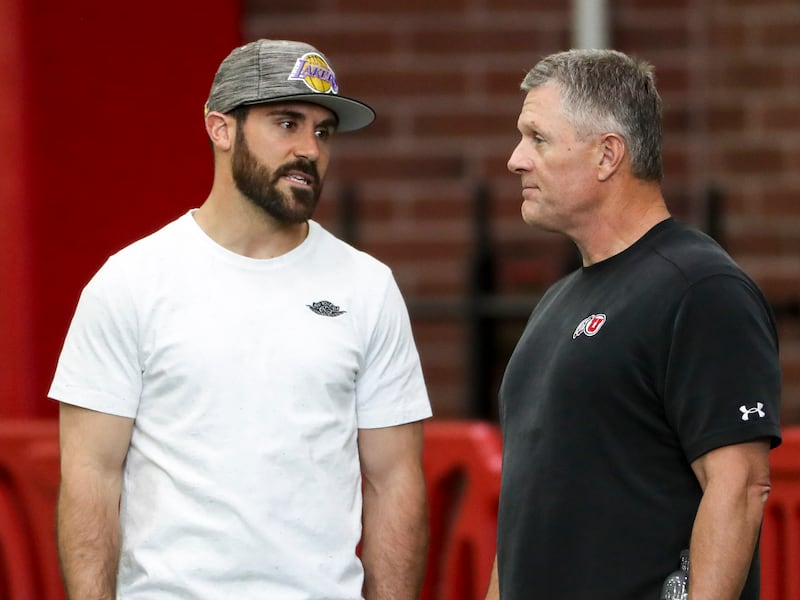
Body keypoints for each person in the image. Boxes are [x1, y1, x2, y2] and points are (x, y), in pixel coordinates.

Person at [50, 39, 432, 599]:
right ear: (221, 128)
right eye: (286, 123)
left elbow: (395, 481)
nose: (309, 149)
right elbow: (90, 479)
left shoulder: (367, 286)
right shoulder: (131, 282)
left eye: (323, 131)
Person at [485, 49, 782, 599]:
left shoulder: (701, 289)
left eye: (538, 137)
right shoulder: (556, 302)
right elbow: (526, 509)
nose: (516, 159)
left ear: (607, 156)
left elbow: (739, 486)